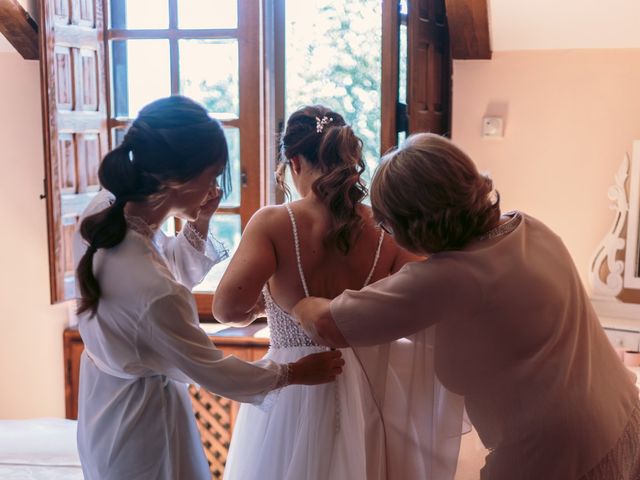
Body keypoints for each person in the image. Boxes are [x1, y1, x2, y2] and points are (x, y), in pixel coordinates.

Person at [293, 132, 640, 480]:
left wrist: (297, 300)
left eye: (386, 224)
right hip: (621, 415)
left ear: (413, 220)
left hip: (559, 454)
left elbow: (327, 323)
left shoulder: (451, 277)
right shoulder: (528, 226)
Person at [73, 96, 343, 480]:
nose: (216, 186)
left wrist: (200, 220)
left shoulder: (104, 212)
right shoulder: (152, 285)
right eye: (213, 174)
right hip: (142, 426)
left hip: (101, 404)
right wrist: (294, 373)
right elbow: (213, 371)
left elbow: (164, 278)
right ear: (176, 180)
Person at [213, 106, 462, 479]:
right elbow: (426, 298)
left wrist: (272, 304)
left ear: (294, 162)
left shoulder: (274, 222)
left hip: (293, 392)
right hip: (371, 392)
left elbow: (227, 310)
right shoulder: (383, 226)